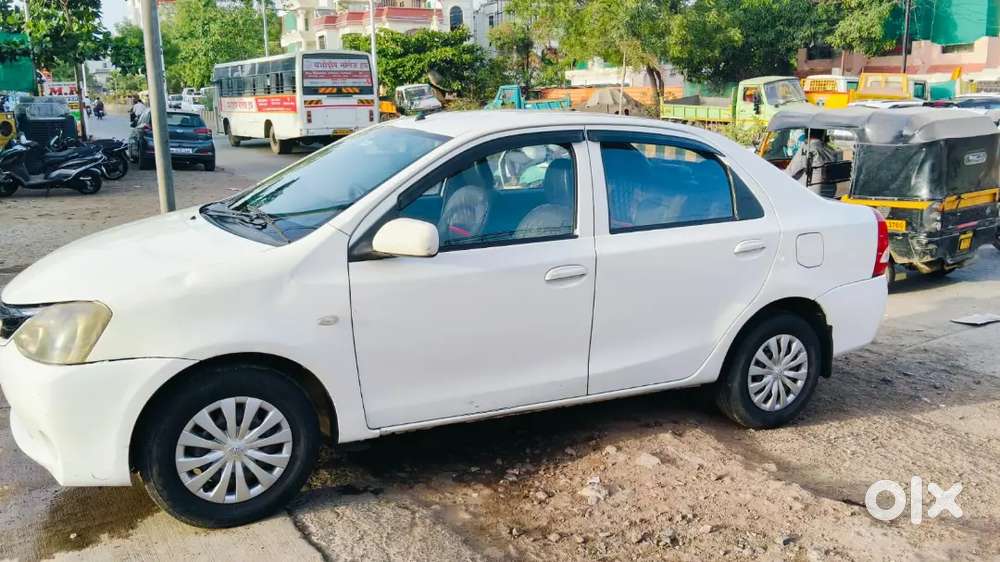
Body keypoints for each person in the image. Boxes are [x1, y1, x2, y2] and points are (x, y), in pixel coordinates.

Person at [785, 128, 839, 196]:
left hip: (811, 193)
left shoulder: (807, 148)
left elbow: (789, 172)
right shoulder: (831, 150)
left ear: (807, 133)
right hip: (830, 191)